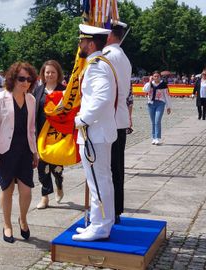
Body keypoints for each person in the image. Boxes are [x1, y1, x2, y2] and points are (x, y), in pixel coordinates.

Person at [0, 61, 39, 243]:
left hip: (25, 150)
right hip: (5, 151)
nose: (25, 83)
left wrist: (35, 151)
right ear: (13, 79)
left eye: (29, 79)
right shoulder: (1, 98)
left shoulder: (31, 100)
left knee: (26, 191)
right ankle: (7, 225)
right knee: (7, 189)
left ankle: (23, 218)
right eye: (21, 79)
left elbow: (32, 129)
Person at [73, 24, 117, 241]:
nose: (79, 45)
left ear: (90, 44)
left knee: (98, 182)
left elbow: (101, 98)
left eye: (81, 41)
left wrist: (82, 119)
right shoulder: (99, 63)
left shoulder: (97, 66)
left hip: (94, 132)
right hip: (97, 132)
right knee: (101, 180)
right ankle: (101, 222)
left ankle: (100, 226)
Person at [103, 22, 133, 224]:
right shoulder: (123, 56)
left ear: (109, 35)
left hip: (109, 119)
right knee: (117, 167)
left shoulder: (106, 55)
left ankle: (109, 211)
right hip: (119, 118)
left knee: (107, 168)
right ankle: (116, 210)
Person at [33, 60, 66, 209]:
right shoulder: (38, 90)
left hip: (58, 135)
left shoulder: (64, 90)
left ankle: (59, 185)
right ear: (43, 74)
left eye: (53, 72)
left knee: (56, 167)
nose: (50, 75)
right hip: (41, 135)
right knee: (42, 167)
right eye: (47, 72)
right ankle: (44, 196)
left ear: (58, 73)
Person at [143, 71, 172, 145]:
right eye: (155, 76)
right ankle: (153, 137)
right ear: (152, 77)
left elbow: (167, 96)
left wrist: (168, 107)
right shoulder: (149, 84)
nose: (156, 78)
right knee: (153, 122)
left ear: (160, 77)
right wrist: (149, 81)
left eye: (158, 76)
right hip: (151, 104)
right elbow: (145, 90)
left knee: (157, 120)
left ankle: (157, 138)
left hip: (160, 103)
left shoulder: (163, 85)